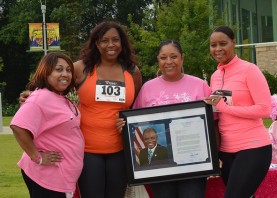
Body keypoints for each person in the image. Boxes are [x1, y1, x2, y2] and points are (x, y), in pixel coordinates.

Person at [20, 20, 143, 198]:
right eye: (104, 40)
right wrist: (30, 95)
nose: (111, 45)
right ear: (96, 43)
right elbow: (53, 87)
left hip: (120, 150)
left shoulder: (133, 72)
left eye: (115, 40)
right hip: (87, 151)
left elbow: (134, 109)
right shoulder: (80, 68)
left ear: (122, 43)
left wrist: (128, 121)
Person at [121, 40, 211, 198]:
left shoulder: (200, 85)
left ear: (182, 58)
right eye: (163, 57)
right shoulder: (148, 88)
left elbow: (213, 123)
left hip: (193, 164)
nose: (168, 62)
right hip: (159, 166)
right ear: (158, 60)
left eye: (173, 56)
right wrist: (123, 124)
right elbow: (135, 124)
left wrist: (215, 156)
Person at [205, 25, 272, 198]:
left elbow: (265, 109)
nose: (218, 49)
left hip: (253, 147)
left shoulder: (250, 70)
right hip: (226, 151)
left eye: (223, 43)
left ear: (233, 43)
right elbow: (217, 112)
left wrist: (226, 108)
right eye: (213, 45)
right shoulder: (214, 76)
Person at [10, 52, 84, 198]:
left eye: (68, 70)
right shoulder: (40, 98)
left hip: (60, 178)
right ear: (46, 72)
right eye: (59, 69)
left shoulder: (59, 97)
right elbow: (18, 126)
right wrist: (37, 157)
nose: (65, 74)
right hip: (48, 177)